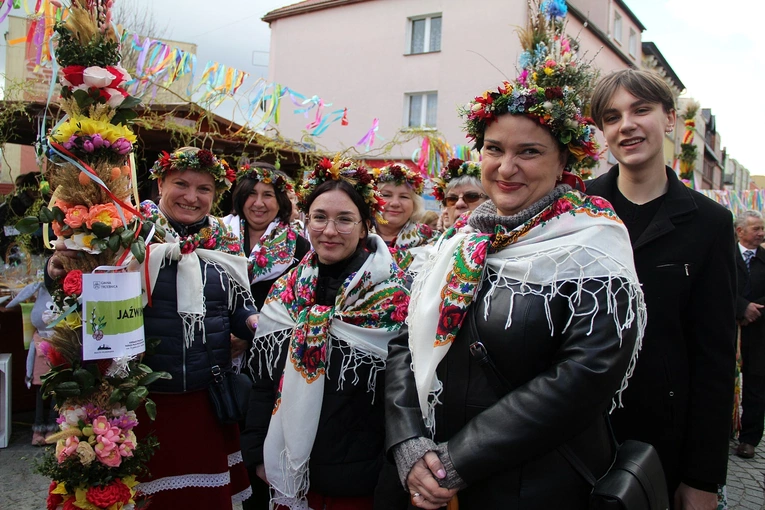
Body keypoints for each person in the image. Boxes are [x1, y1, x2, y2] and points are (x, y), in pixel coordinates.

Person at [385, 78, 645, 509]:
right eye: (494, 149)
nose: (506, 168)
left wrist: (457, 460)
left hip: (538, 487)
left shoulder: (593, 243)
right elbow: (404, 341)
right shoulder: (455, 242)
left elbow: (585, 374)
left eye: (529, 151)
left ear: (563, 160)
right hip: (431, 478)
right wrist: (408, 442)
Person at [49, 147, 260, 508]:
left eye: (204, 189)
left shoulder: (224, 242)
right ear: (160, 183)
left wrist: (254, 321)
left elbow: (238, 306)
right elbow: (73, 270)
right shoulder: (128, 231)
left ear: (216, 195)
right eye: (181, 184)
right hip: (142, 402)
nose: (192, 197)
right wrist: (55, 268)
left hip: (204, 399)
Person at [587, 69, 737, 509]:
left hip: (661, 440)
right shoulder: (577, 209)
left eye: (641, 109)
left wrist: (702, 478)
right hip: (575, 432)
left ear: (670, 118)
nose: (626, 125)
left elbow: (715, 357)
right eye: (612, 117)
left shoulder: (709, 223)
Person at [241, 156, 410, 509]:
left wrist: (387, 477)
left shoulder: (395, 298)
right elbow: (263, 381)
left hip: (361, 482)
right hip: (285, 471)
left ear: (365, 227)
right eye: (319, 217)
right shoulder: (286, 291)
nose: (329, 231)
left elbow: (404, 399)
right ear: (306, 221)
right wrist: (257, 453)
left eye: (344, 220)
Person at [223, 163, 311, 310]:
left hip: (269, 328)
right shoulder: (217, 232)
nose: (258, 203)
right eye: (251, 193)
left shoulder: (298, 245)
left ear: (280, 201)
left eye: (268, 195)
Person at [733, 210, 765, 459]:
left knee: (756, 387)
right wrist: (741, 306)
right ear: (740, 230)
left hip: (758, 331)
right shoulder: (724, 255)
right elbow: (716, 285)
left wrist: (754, 309)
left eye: (763, 228)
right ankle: (725, 429)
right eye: (756, 228)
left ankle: (750, 439)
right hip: (728, 329)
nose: (761, 233)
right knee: (724, 381)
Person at [373, 164, 436, 278]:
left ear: (415, 204)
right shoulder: (357, 235)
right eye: (386, 195)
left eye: (404, 197)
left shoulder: (432, 240)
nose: (395, 203)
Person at [431, 159, 487, 230]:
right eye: (452, 199)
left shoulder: (501, 239)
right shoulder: (438, 240)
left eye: (471, 197)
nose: (459, 204)